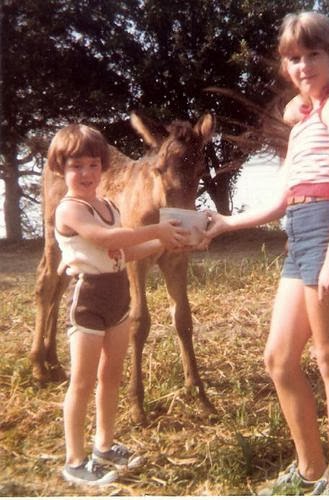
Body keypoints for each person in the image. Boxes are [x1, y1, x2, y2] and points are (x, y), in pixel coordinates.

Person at [206, 11, 329, 496]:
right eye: (294, 58)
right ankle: (310, 470)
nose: (303, 66)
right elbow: (283, 198)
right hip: (300, 230)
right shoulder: (303, 124)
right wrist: (226, 222)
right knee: (279, 359)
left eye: (313, 54)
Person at [48, 124, 193, 486]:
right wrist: (157, 230)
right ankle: (75, 459)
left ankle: (105, 445)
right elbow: (106, 239)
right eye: (76, 166)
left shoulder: (108, 206)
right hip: (88, 300)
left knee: (110, 376)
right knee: (82, 382)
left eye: (93, 165)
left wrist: (168, 242)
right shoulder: (69, 210)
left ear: (103, 166)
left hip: (117, 298)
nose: (86, 173)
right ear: (59, 168)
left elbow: (124, 253)